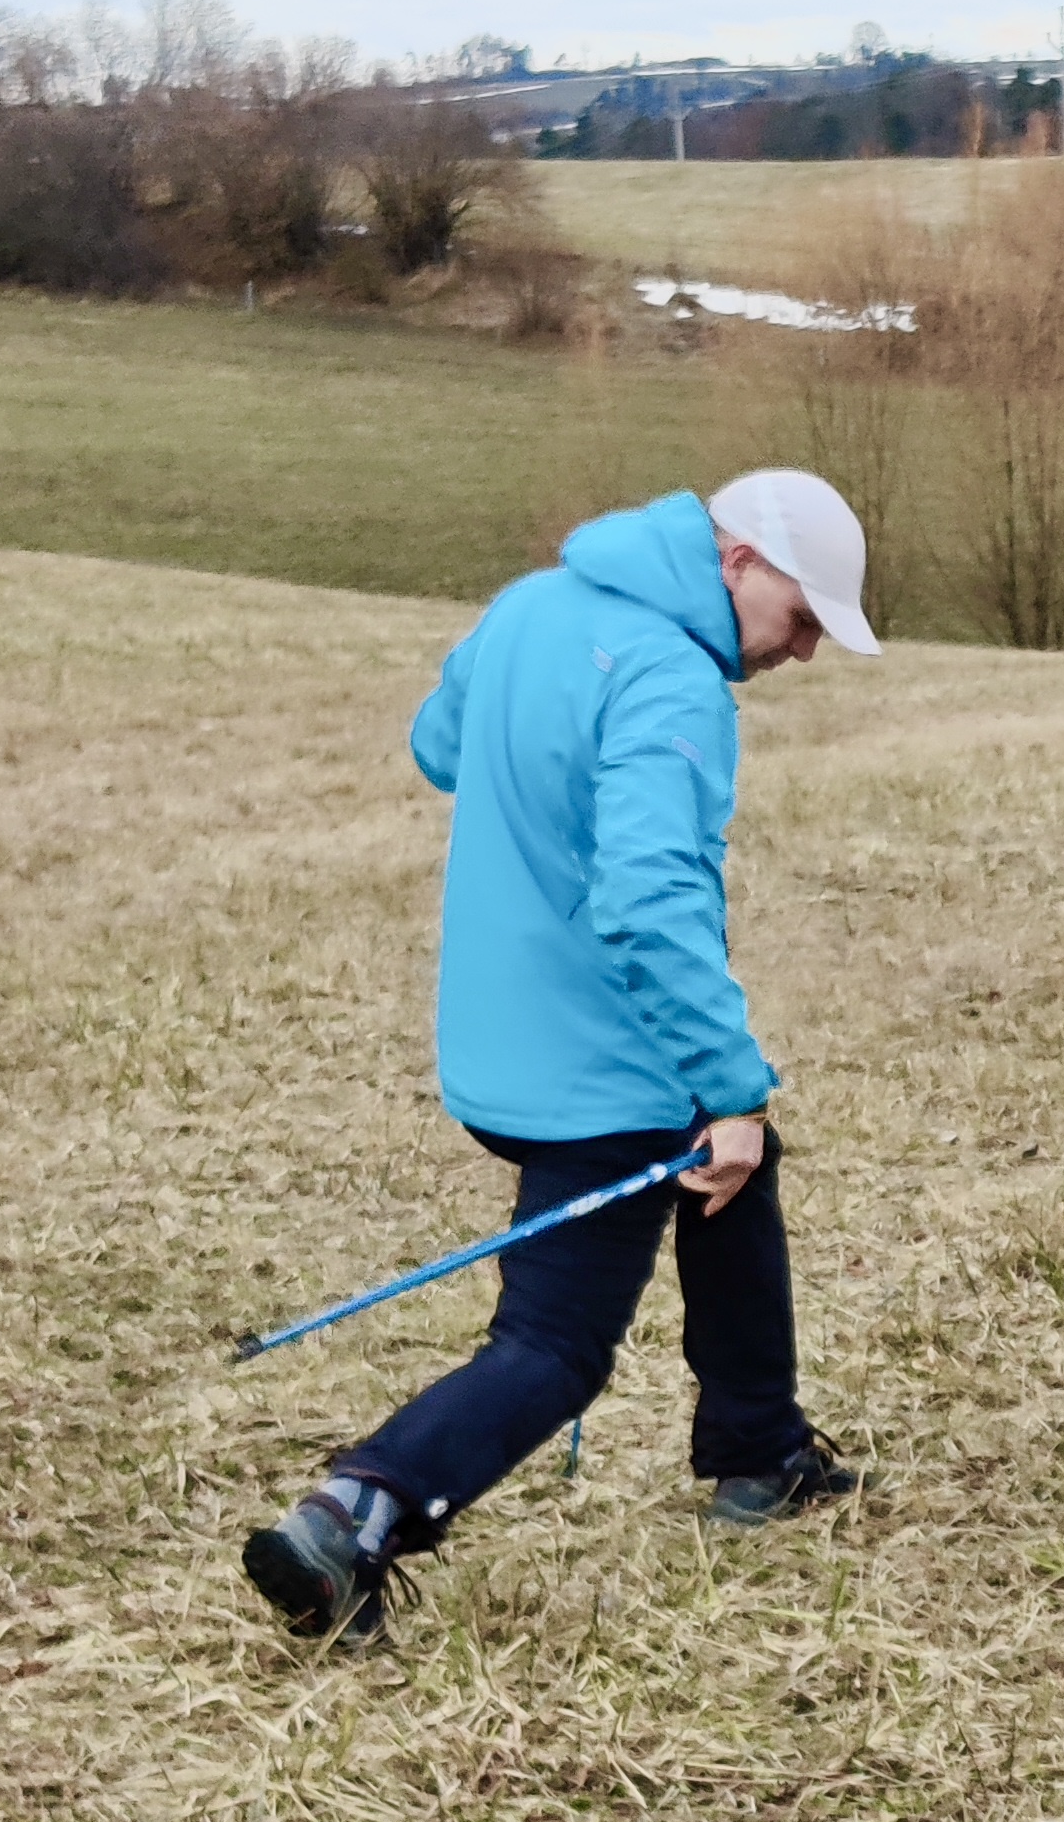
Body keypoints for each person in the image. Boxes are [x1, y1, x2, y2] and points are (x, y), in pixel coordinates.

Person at [241, 472, 879, 1641]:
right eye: (802, 617)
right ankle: (355, 1512)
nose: (803, 652)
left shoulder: (532, 605)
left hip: (496, 1047)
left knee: (737, 1169)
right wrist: (733, 1085)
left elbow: (439, 745)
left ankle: (761, 1448)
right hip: (597, 1070)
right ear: (738, 560)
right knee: (556, 1345)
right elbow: (648, 901)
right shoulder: (674, 679)